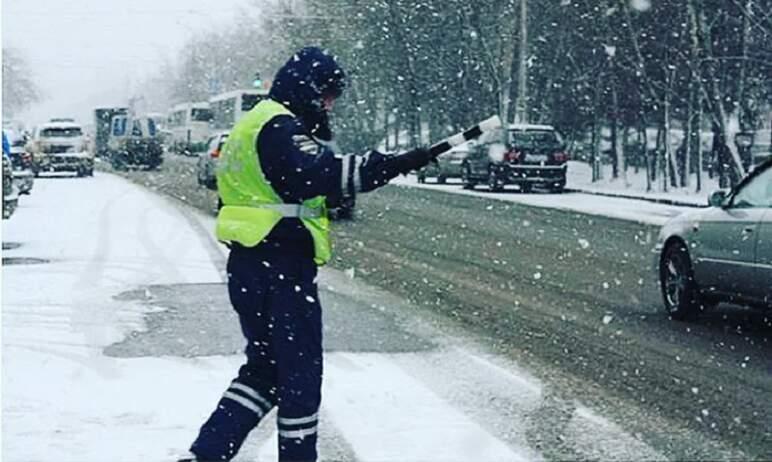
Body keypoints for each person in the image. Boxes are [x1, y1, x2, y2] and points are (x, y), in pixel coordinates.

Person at [178, 47, 431, 462]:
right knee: (299, 379)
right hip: (280, 268)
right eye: (327, 94)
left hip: (250, 264)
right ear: (309, 88)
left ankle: (205, 454)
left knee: (264, 372)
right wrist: (391, 163)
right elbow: (321, 175)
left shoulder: (251, 123)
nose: (330, 104)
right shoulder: (279, 125)